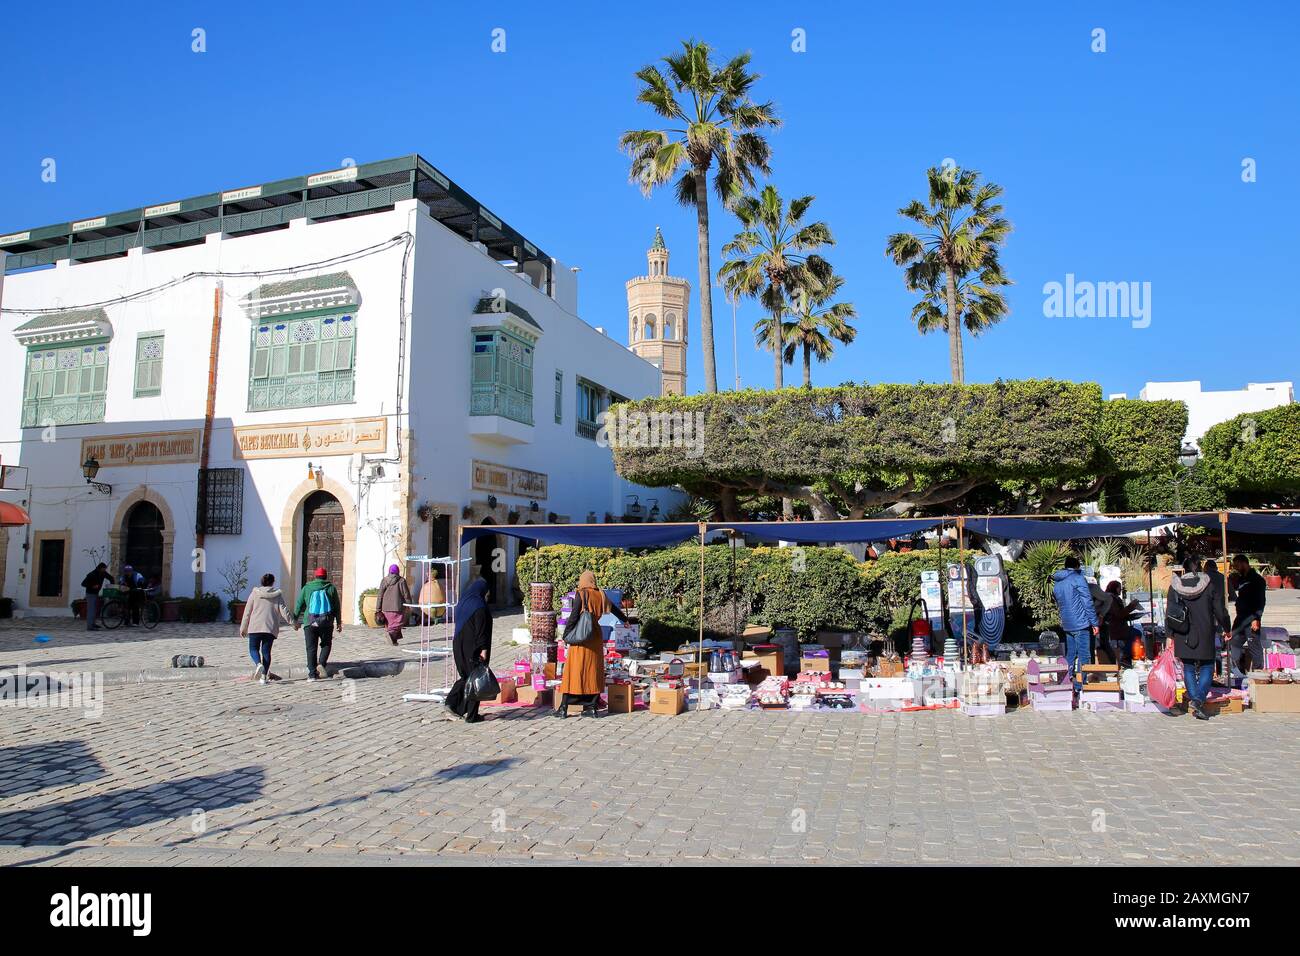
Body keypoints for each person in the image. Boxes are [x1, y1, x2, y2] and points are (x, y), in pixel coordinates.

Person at [556, 571, 627, 719]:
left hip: (581, 637)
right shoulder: (600, 594)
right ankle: (592, 707)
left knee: (574, 671)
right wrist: (625, 619)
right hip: (595, 635)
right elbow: (613, 608)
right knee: (593, 671)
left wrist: (566, 635)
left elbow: (574, 616)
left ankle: (564, 707)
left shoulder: (581, 594)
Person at [1166, 561, 1231, 720]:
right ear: (1200, 569)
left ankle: (1196, 699)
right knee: (1207, 665)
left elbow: (1170, 612)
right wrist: (1227, 627)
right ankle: (1198, 699)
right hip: (1205, 630)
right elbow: (1219, 609)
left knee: (1188, 666)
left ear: (1184, 569)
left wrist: (1169, 635)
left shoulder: (1174, 586)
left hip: (1183, 632)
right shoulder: (1209, 585)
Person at [443, 578, 492, 723]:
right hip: (474, 648)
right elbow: (481, 631)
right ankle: (471, 715)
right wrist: (483, 650)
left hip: (459, 645)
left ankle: (453, 705)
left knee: (466, 677)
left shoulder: (463, 603)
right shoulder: (480, 606)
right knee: (475, 679)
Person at [1052, 556, 1099, 698]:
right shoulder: (1078, 579)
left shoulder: (1058, 583)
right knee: (1084, 654)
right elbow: (1087, 602)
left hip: (1067, 623)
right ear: (1077, 566)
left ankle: (1065, 683)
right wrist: (1094, 622)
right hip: (1081, 622)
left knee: (1070, 654)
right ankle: (1079, 687)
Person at [239, 573, 296, 684]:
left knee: (253, 649)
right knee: (266, 652)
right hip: (270, 628)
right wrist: (293, 623)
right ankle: (264, 677)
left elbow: (247, 612)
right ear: (273, 582)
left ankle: (258, 664)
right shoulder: (277, 595)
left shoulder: (254, 594)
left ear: (262, 582)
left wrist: (243, 628)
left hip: (255, 627)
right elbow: (284, 611)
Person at [293, 568, 342, 681]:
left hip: (310, 622)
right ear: (325, 576)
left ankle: (312, 674)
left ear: (315, 576)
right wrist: (338, 622)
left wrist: (295, 619)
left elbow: (299, 604)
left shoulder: (307, 588)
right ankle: (321, 663)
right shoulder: (331, 588)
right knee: (326, 644)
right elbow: (337, 606)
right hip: (327, 622)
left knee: (311, 648)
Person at [1228, 554, 1267, 677]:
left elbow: (1261, 601)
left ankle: (1258, 672)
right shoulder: (1241, 579)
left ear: (1244, 563)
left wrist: (1257, 618)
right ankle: (1236, 671)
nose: (1236, 568)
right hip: (1240, 619)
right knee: (1233, 641)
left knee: (1254, 645)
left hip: (1251, 618)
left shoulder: (1257, 580)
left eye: (1237, 565)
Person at [1101, 580, 1142, 666]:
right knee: (1136, 633)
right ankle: (1126, 656)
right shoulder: (1111, 599)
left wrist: (1132, 615)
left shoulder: (1115, 598)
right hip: (1115, 628)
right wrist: (1131, 606)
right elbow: (1119, 614)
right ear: (1115, 588)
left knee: (1136, 633)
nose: (1120, 590)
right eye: (1119, 588)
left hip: (1119, 626)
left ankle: (1126, 656)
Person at [377, 564, 412, 645]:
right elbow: (406, 594)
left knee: (390, 624)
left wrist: (378, 609)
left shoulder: (384, 580)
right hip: (398, 607)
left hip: (386, 607)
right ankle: (391, 635)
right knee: (396, 624)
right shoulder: (401, 581)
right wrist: (409, 604)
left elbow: (380, 595)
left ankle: (394, 641)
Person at [80, 562, 113, 632]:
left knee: (94, 609)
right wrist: (92, 586)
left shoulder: (103, 573)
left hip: (96, 593)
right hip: (90, 594)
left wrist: (112, 586)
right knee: (91, 610)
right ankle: (90, 627)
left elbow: (110, 578)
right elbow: (83, 583)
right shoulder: (92, 574)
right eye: (104, 569)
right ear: (100, 568)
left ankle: (93, 623)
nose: (105, 570)